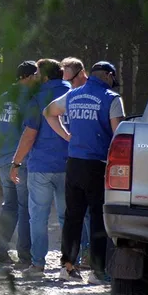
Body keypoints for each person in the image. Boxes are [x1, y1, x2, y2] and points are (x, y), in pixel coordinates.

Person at [44, 61, 125, 285]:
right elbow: (119, 134)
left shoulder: (73, 95)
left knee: (73, 217)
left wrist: (67, 135)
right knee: (98, 218)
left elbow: (48, 112)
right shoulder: (112, 98)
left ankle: (67, 267)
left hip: (74, 164)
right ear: (108, 76)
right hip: (98, 164)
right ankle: (97, 272)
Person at [9, 58, 70, 278]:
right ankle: (71, 263)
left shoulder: (38, 99)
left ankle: (38, 265)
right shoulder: (75, 94)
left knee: (39, 216)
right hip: (70, 165)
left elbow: (29, 135)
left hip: (41, 167)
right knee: (68, 217)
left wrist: (16, 162)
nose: (34, 77)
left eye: (36, 73)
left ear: (44, 77)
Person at [0, 61, 39, 267]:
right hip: (20, 161)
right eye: (36, 74)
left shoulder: (3, 98)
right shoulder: (29, 99)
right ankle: (25, 256)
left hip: (2, 158)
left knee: (9, 206)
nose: (38, 78)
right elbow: (30, 131)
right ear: (27, 76)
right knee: (25, 207)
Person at [61, 56, 92, 268]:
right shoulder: (71, 95)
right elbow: (49, 113)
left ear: (81, 73)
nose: (69, 85)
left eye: (71, 80)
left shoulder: (96, 93)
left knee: (91, 216)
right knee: (77, 215)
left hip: (95, 160)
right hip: (76, 159)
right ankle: (73, 261)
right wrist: (67, 136)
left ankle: (89, 257)